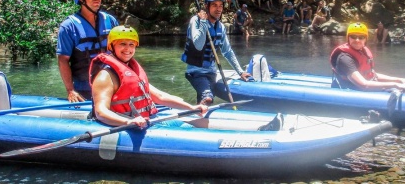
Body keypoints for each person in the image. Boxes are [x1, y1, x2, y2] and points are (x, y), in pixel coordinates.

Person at [90, 25, 282, 131]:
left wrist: (191, 107)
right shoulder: (105, 76)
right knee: (186, 127)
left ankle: (260, 128)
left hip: (146, 118)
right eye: (122, 44)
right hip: (130, 123)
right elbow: (100, 111)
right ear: (112, 46)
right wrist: (128, 122)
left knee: (200, 120)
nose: (128, 49)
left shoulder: (131, 68)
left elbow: (160, 97)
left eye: (131, 44)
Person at [181, 0, 253, 105]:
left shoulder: (220, 27)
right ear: (207, 6)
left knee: (205, 98)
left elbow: (227, 52)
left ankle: (199, 116)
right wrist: (204, 22)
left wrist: (240, 72)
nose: (218, 9)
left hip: (211, 72)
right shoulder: (196, 21)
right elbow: (198, 46)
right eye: (214, 5)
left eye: (220, 5)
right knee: (207, 97)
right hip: (196, 72)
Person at [57, 0, 119, 102]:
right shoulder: (68, 26)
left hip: (111, 82)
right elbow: (63, 60)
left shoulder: (110, 21)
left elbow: (121, 51)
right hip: (84, 87)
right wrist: (70, 90)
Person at [330, 22, 405, 92]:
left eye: (361, 37)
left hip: (363, 87)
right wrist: (395, 85)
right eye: (353, 36)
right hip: (350, 90)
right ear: (348, 38)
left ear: (365, 39)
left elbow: (372, 75)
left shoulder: (363, 51)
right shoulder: (344, 58)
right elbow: (363, 85)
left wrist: (399, 80)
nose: (357, 40)